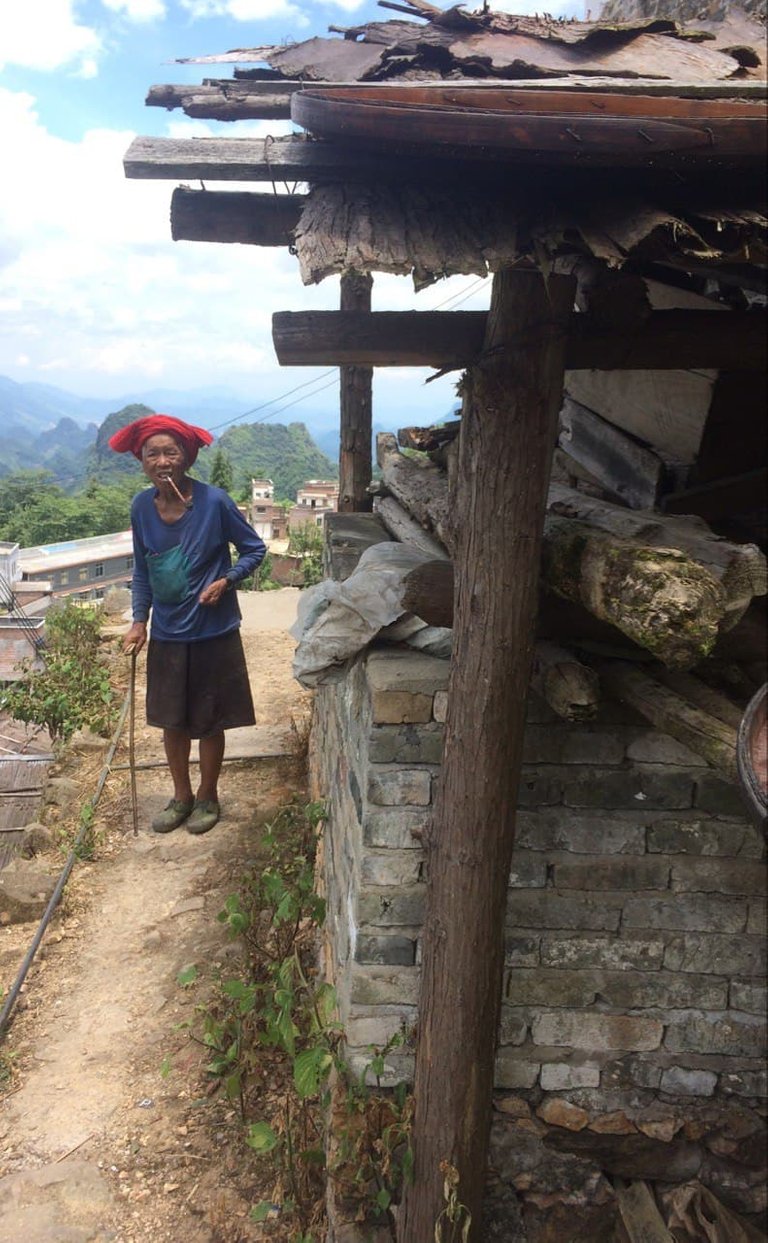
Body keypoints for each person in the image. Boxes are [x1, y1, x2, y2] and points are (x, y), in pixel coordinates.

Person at [110, 414, 266, 835]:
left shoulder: (214, 502)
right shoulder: (142, 507)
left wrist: (226, 580)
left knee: (211, 720)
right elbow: (143, 570)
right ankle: (181, 796)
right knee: (172, 721)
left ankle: (208, 795)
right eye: (152, 454)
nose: (162, 461)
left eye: (170, 452)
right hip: (168, 634)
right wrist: (139, 621)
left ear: (186, 458)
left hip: (214, 632)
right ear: (142, 462)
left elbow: (255, 549)